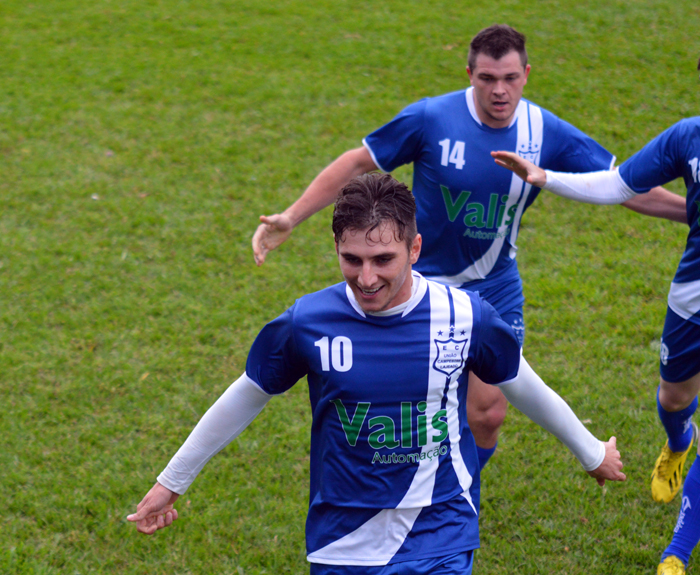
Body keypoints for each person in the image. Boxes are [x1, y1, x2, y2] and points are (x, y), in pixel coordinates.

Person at [129, 173, 625, 574]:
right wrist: (172, 482)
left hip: (440, 527)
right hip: (342, 537)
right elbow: (248, 394)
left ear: (414, 249)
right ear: (337, 251)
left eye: (383, 259)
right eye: (352, 260)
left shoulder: (465, 315)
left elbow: (519, 381)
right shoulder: (308, 322)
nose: (367, 278)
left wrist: (589, 451)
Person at [251, 24, 686, 471]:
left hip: (494, 285)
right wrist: (291, 216)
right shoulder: (431, 119)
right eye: (487, 79)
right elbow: (359, 162)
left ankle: (459, 496)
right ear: (469, 74)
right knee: (404, 404)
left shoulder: (545, 131)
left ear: (527, 74)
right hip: (416, 284)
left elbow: (623, 187)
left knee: (489, 413)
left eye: (510, 78)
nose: (500, 90)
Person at [491, 108, 700, 575]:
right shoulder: (689, 136)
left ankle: (676, 554)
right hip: (692, 298)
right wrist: (546, 177)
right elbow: (620, 185)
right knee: (673, 398)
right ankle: (680, 439)